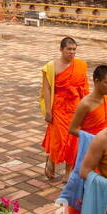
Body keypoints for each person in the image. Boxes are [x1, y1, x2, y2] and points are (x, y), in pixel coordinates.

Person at [40, 37, 87, 181]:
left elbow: (84, 88)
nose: (72, 52)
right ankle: (51, 160)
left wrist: (87, 108)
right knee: (58, 138)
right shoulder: (51, 67)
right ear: (61, 49)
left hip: (75, 107)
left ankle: (68, 174)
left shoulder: (80, 65)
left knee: (73, 141)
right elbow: (46, 90)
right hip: (59, 107)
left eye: (74, 50)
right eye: (69, 49)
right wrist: (48, 110)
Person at [69, 65, 107, 138]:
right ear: (96, 81)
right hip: (90, 145)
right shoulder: (85, 104)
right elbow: (72, 129)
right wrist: (93, 138)